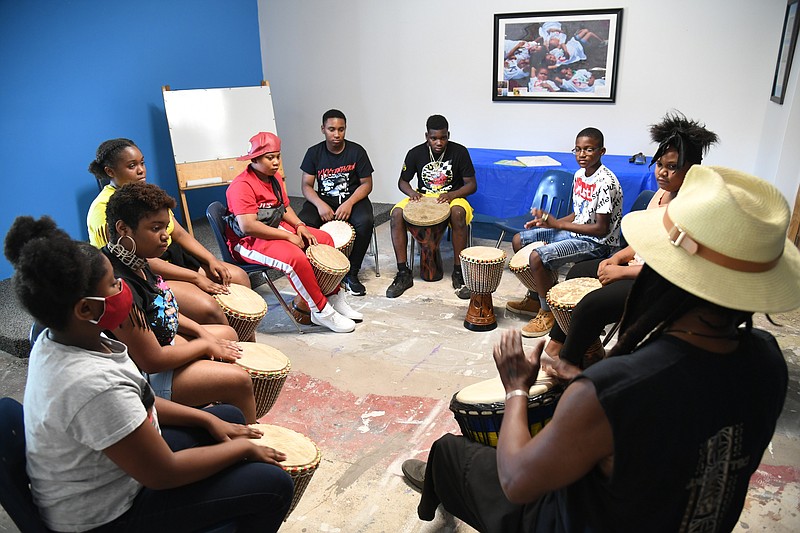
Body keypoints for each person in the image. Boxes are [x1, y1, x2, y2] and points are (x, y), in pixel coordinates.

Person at [403, 165, 799, 532]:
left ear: (661, 274)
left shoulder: (617, 387)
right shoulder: (766, 359)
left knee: (453, 451)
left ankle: (439, 481)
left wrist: (517, 388)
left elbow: (517, 481)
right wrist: (584, 379)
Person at [5, 215, 293, 532]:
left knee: (227, 417)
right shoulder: (91, 385)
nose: (122, 288)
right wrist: (243, 449)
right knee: (272, 484)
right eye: (114, 284)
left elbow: (142, 397)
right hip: (106, 517)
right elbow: (164, 473)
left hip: (117, 475)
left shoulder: (68, 339)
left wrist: (208, 419)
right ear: (86, 309)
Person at [543, 112, 719, 380]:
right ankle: (584, 348)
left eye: (672, 167)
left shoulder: (692, 209)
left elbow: (675, 266)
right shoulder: (662, 193)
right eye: (659, 164)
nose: (662, 172)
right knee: (579, 272)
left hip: (660, 283)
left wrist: (623, 272)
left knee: (591, 303)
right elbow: (643, 240)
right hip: (641, 265)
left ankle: (566, 364)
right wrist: (617, 258)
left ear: (693, 169)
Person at [103, 182, 259, 423]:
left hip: (160, 342)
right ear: (123, 228)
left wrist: (201, 333)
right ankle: (248, 444)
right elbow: (152, 361)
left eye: (165, 227)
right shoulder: (117, 285)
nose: (166, 236)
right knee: (238, 380)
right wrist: (205, 346)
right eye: (155, 228)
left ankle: (219, 407)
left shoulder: (136, 259)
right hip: (142, 377)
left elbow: (164, 310)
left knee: (227, 333)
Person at [87, 138, 252, 326]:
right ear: (110, 172)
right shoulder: (103, 209)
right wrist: (195, 277)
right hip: (143, 272)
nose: (141, 170)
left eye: (142, 163)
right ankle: (225, 344)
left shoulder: (146, 193)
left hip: (173, 259)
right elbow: (137, 261)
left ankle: (248, 345)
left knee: (238, 277)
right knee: (209, 308)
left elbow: (179, 233)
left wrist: (211, 260)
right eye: (132, 166)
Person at [225, 131, 361, 333]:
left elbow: (284, 208)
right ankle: (321, 310)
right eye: (269, 157)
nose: (275, 162)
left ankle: (333, 294)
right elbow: (248, 226)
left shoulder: (275, 178)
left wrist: (299, 226)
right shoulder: (241, 186)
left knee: (323, 239)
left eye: (277, 156)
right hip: (247, 241)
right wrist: (288, 236)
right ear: (254, 159)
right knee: (295, 258)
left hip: (271, 227)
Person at [508, 127, 623, 338]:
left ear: (601, 151)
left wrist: (558, 226)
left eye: (588, 150)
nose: (582, 155)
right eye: (578, 149)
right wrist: (550, 223)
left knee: (538, 256)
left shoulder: (606, 182)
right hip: (577, 233)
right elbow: (578, 214)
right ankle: (536, 298)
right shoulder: (580, 175)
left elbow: (601, 229)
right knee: (519, 241)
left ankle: (548, 312)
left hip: (598, 243)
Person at [386, 115, 477, 299]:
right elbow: (402, 181)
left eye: (443, 138)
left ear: (448, 135)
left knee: (458, 213)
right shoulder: (415, 153)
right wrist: (411, 193)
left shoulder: (460, 152)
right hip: (423, 196)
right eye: (434, 138)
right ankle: (403, 272)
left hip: (452, 197)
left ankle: (459, 272)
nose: (439, 142)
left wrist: (452, 195)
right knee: (396, 214)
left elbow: (471, 185)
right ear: (427, 136)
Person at [298, 109, 375, 296]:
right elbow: (307, 185)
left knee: (365, 221)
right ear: (323, 129)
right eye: (332, 129)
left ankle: (351, 273)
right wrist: (319, 204)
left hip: (352, 199)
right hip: (323, 199)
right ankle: (318, 272)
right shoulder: (314, 153)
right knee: (304, 224)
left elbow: (367, 184)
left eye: (341, 129)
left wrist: (349, 203)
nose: (337, 134)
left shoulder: (357, 151)